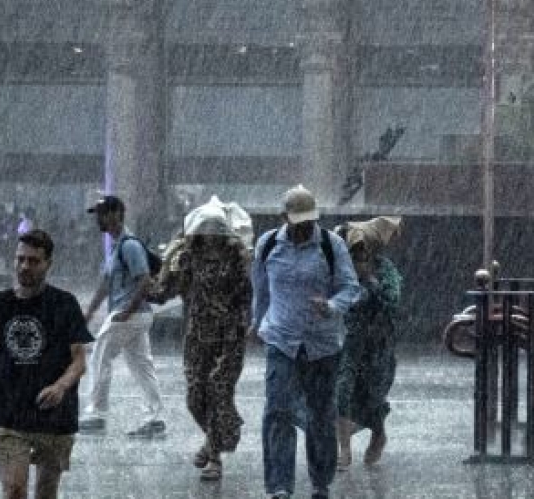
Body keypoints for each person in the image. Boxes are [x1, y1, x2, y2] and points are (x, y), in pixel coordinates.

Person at [0, 229, 95, 499]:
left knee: (46, 492)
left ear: (48, 264)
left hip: (54, 415)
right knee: (14, 489)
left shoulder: (64, 304)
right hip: (8, 412)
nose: (25, 266)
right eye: (20, 259)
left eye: (33, 261)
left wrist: (60, 386)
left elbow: (79, 360)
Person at [251, 185, 362, 499]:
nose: (304, 227)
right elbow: (260, 289)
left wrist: (331, 306)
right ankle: (279, 485)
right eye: (297, 220)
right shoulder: (268, 243)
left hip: (322, 344)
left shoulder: (331, 244)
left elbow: (349, 287)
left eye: (308, 220)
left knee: (320, 413)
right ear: (284, 217)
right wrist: (257, 324)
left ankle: (320, 481)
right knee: (277, 410)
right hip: (281, 340)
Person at [149, 198, 252, 481]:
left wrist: (245, 325)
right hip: (197, 336)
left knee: (219, 390)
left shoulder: (235, 259)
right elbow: (165, 291)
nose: (210, 232)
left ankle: (215, 456)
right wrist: (147, 289)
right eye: (205, 227)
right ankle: (222, 432)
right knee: (195, 395)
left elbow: (245, 296)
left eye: (215, 227)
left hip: (228, 337)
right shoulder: (185, 257)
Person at [79, 194, 166, 437]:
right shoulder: (116, 248)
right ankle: (156, 419)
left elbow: (145, 281)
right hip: (134, 316)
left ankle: (97, 414)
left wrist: (126, 312)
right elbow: (105, 285)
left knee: (100, 353)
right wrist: (89, 313)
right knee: (141, 366)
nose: (98, 219)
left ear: (116, 214)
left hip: (130, 314)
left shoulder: (129, 245)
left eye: (102, 213)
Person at [335, 216, 403, 469]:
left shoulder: (386, 270)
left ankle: (378, 433)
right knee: (342, 391)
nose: (359, 256)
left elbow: (392, 300)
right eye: (355, 251)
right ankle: (343, 449)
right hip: (352, 342)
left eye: (363, 250)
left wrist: (371, 283)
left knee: (373, 396)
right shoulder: (345, 270)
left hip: (379, 346)